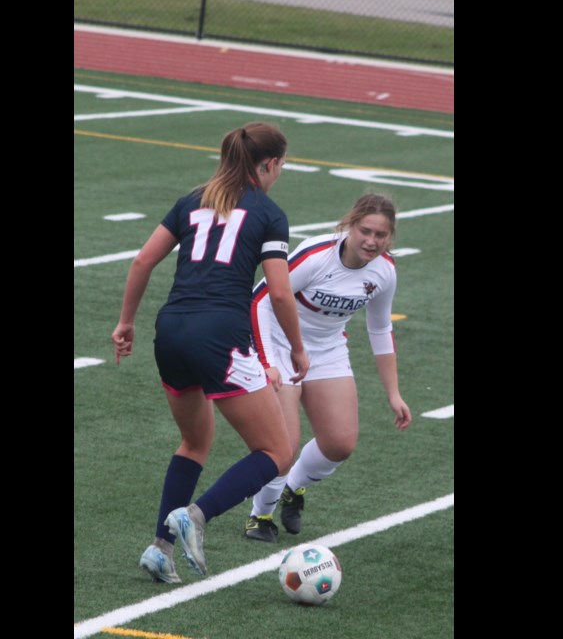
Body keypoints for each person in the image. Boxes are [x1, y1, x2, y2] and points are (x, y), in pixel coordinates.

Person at [111, 122, 310, 583]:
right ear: (271, 164)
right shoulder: (268, 211)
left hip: (171, 329)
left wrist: (125, 322)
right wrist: (297, 349)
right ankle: (195, 516)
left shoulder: (192, 199)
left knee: (195, 442)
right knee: (278, 450)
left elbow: (142, 260)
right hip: (219, 333)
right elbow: (280, 294)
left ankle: (161, 548)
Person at [243, 193, 412, 543]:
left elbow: (380, 328)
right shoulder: (315, 254)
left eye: (381, 235)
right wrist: (269, 361)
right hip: (281, 344)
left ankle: (295, 489)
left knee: (340, 443)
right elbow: (260, 298)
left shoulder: (385, 270)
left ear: (390, 237)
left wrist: (393, 394)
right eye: (365, 230)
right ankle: (260, 515)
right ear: (349, 225)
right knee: (283, 446)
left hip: (328, 349)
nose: (372, 241)